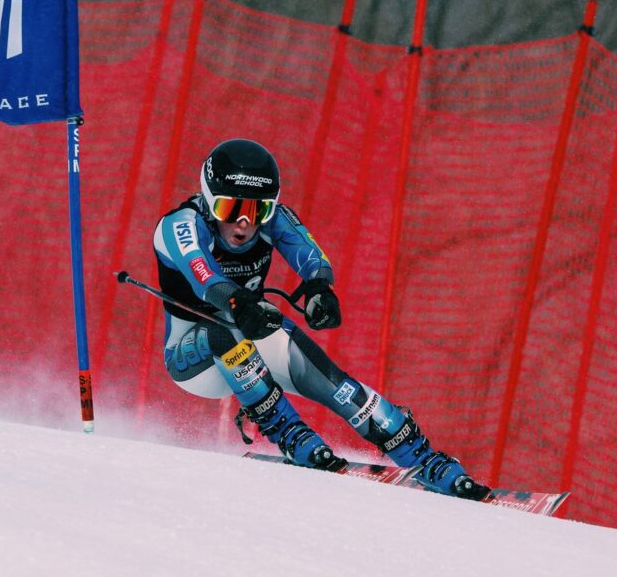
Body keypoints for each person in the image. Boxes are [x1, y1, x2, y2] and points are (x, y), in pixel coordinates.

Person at [152, 138, 489, 500]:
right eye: (231, 207)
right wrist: (239, 303)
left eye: (258, 211)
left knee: (335, 385)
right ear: (207, 199)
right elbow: (205, 278)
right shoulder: (180, 225)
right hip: (195, 359)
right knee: (225, 331)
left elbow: (310, 256)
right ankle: (288, 431)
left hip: (253, 334)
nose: (244, 222)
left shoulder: (274, 220)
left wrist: (319, 290)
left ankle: (422, 457)